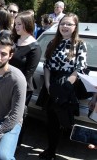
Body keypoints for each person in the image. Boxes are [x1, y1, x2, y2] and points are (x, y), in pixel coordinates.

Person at [39, 13, 88, 160]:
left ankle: (55, 150)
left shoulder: (80, 44)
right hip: (52, 83)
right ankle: (51, 151)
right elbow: (47, 65)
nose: (65, 26)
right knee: (51, 120)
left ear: (75, 27)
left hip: (67, 85)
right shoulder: (52, 42)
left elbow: (80, 68)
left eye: (69, 24)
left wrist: (66, 85)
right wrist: (48, 84)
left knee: (63, 121)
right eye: (62, 24)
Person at [10, 11, 42, 145]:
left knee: (17, 116)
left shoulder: (35, 47)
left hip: (22, 87)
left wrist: (13, 85)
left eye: (19, 24)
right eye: (15, 24)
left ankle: (15, 144)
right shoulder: (14, 40)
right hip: (5, 82)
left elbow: (29, 72)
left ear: (28, 25)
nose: (16, 27)